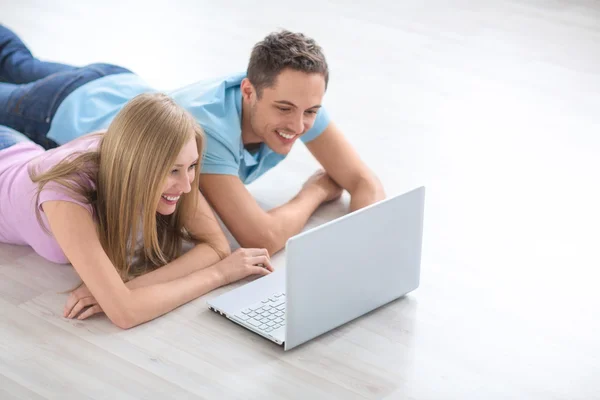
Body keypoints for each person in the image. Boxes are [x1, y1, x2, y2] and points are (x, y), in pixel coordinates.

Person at [0, 25, 386, 255]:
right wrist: (315, 191)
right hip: (58, 110)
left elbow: (363, 181)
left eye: (311, 112)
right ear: (250, 91)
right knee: (12, 66)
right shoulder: (206, 131)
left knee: (12, 60)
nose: (300, 125)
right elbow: (261, 237)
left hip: (111, 82)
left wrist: (363, 248)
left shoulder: (296, 97)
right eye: (286, 110)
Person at [0, 93, 273, 329]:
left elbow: (216, 246)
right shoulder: (66, 193)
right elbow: (126, 313)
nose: (188, 186)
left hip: (19, 148)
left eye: (191, 166)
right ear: (136, 166)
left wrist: (123, 290)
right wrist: (220, 275)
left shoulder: (144, 153)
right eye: (173, 171)